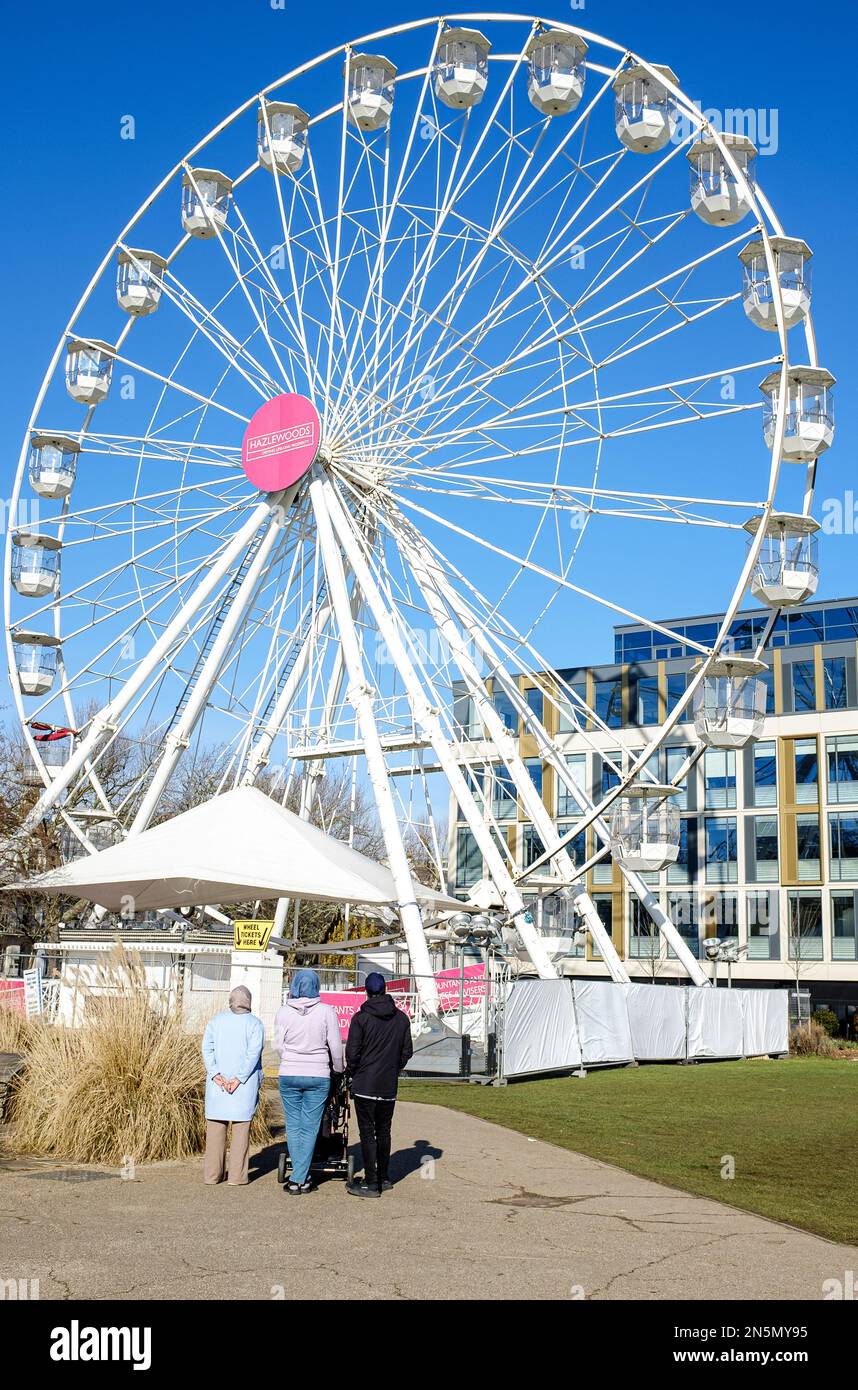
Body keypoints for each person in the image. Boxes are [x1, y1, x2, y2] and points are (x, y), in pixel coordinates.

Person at [274, 968, 343, 1194]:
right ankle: (300, 1179)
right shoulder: (327, 1012)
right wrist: (338, 1069)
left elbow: (278, 1045)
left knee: (293, 1126)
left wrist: (291, 1059)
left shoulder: (284, 1012)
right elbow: (335, 1045)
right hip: (318, 1073)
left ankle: (298, 1177)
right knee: (310, 1125)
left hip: (290, 1072)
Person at [345, 972, 413, 1198]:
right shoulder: (401, 1019)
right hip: (387, 1085)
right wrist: (394, 1067)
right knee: (384, 1131)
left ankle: (372, 1181)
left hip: (365, 1083)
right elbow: (407, 1051)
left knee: (367, 1133)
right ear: (385, 990)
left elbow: (352, 1053)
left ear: (367, 991)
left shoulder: (360, 1018)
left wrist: (354, 1071)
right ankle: (384, 1176)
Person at [201, 985, 265, 1187]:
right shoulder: (255, 1024)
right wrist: (238, 1078)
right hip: (242, 1087)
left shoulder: (216, 1021)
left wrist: (216, 1075)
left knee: (215, 1133)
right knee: (240, 1133)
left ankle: (212, 1176)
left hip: (217, 1086)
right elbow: (253, 1054)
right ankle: (237, 1177)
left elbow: (207, 1048)